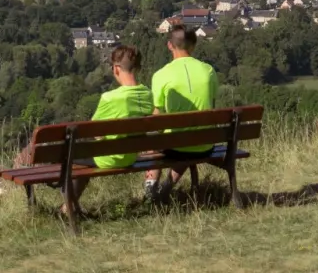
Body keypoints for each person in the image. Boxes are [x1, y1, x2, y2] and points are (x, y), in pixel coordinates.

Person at [69, 44, 153, 206]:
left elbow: (92, 131)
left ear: (116, 69)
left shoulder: (110, 98)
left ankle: (68, 207)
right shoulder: (148, 94)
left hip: (109, 159)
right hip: (131, 156)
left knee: (76, 153)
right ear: (138, 68)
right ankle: (68, 206)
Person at [145, 24, 218, 201]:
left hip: (176, 146)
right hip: (205, 145)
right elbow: (212, 105)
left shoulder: (161, 75)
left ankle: (150, 190)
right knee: (186, 140)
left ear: (170, 45)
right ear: (193, 45)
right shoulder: (208, 71)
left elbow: (156, 116)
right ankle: (165, 191)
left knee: (157, 140)